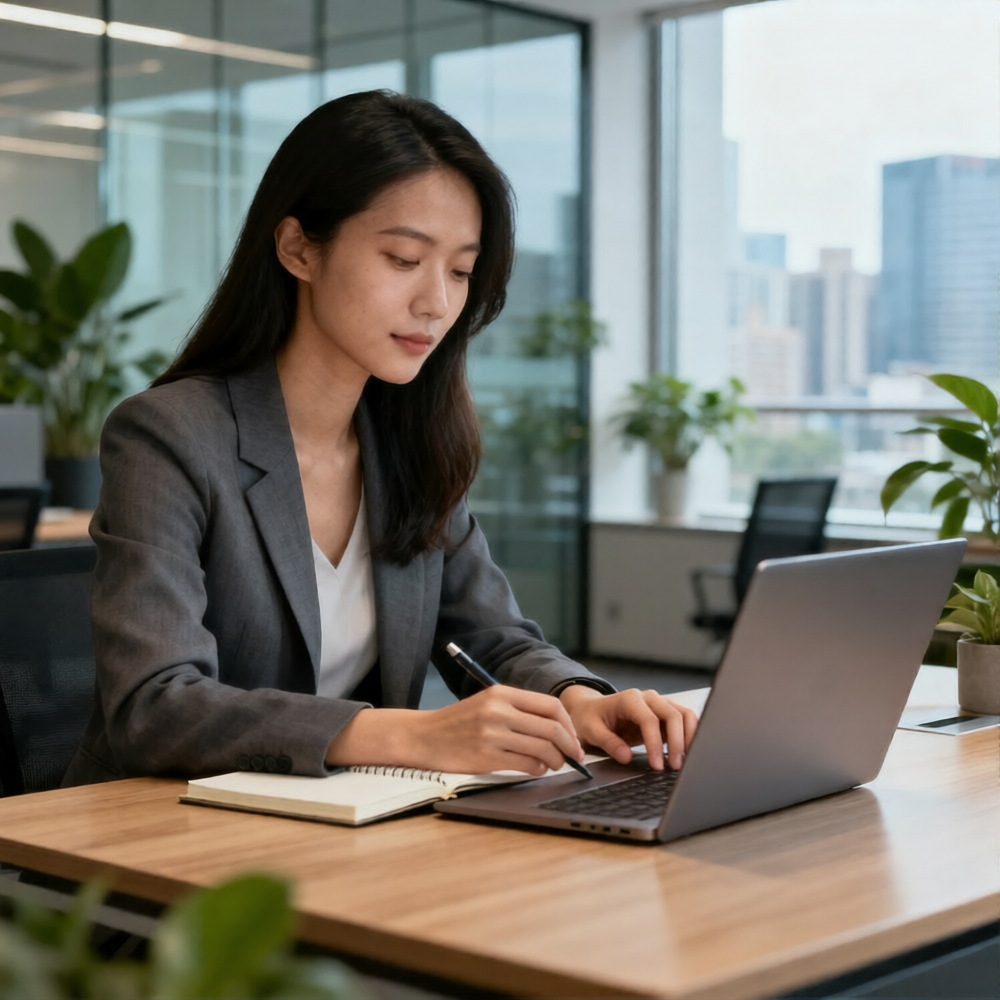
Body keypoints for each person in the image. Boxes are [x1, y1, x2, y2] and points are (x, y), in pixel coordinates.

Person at [63, 90, 697, 788]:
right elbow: (155, 707)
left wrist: (578, 701)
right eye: (403, 259)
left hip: (344, 831)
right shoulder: (171, 435)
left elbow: (489, 635)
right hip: (160, 842)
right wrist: (417, 734)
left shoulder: (410, 443)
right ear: (299, 247)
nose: (437, 303)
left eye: (459, 271)